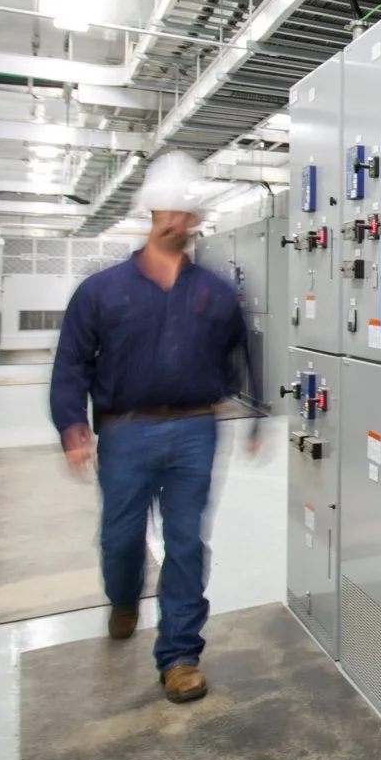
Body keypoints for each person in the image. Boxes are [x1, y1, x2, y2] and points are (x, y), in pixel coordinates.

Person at [50, 150, 263, 704]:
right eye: (169, 210)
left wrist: (256, 413)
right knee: (121, 539)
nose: (178, 221)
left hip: (196, 429)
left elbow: (243, 351)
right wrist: (72, 424)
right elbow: (71, 362)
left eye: (186, 213)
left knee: (187, 542)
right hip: (126, 431)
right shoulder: (102, 291)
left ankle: (180, 655)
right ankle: (123, 596)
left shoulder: (213, 292)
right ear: (152, 212)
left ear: (193, 220)